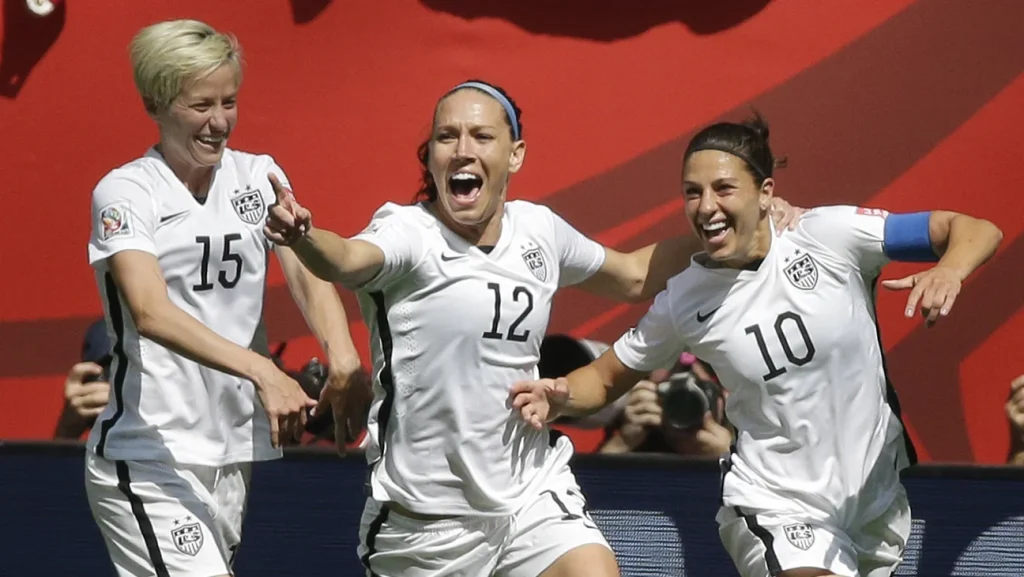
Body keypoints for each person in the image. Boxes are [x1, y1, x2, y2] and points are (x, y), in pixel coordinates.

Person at [264, 81, 802, 576]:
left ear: (514, 154)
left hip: (529, 496)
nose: (462, 148)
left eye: (481, 135)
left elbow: (635, 275)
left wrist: (742, 222)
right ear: (429, 155)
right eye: (446, 136)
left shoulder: (538, 230)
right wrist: (305, 236)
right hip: (426, 527)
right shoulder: (407, 234)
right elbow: (344, 260)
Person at [509, 115, 1003, 577]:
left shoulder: (829, 236)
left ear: (766, 193)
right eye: (692, 193)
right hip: (774, 502)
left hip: (873, 501)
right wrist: (557, 395)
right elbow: (606, 377)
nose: (706, 207)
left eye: (724, 189)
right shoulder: (686, 299)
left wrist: (949, 270)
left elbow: (974, 229)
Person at [84, 19, 367, 577]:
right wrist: (264, 371)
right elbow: (150, 311)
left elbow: (307, 273)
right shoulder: (125, 192)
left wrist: (344, 356)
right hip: (147, 453)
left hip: (233, 451)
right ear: (155, 102)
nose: (220, 122)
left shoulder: (259, 176)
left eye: (229, 102)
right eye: (200, 105)